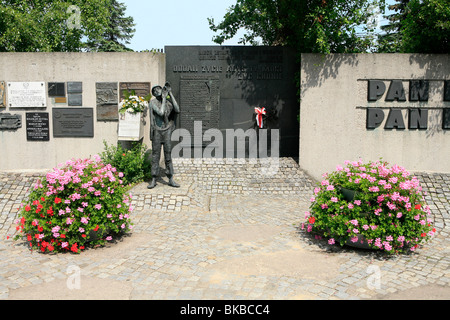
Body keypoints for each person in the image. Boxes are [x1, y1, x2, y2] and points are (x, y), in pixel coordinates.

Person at [147, 82, 180, 189]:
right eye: (155, 91)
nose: (157, 91)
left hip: (166, 131)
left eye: (159, 89)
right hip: (157, 131)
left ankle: (170, 178)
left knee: (168, 155)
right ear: (153, 94)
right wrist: (165, 98)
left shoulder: (167, 102)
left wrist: (170, 93)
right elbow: (161, 113)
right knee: (155, 156)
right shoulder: (153, 103)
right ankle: (153, 179)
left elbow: (177, 109)